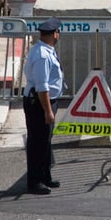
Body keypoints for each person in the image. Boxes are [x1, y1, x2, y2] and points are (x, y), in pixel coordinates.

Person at [23, 17, 64, 195]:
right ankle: (35, 181)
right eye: (58, 32)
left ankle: (45, 176)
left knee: (45, 142)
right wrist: (48, 111)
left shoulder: (47, 50)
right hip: (39, 103)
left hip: (44, 102)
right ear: (55, 34)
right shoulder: (42, 55)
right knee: (37, 143)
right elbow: (42, 87)